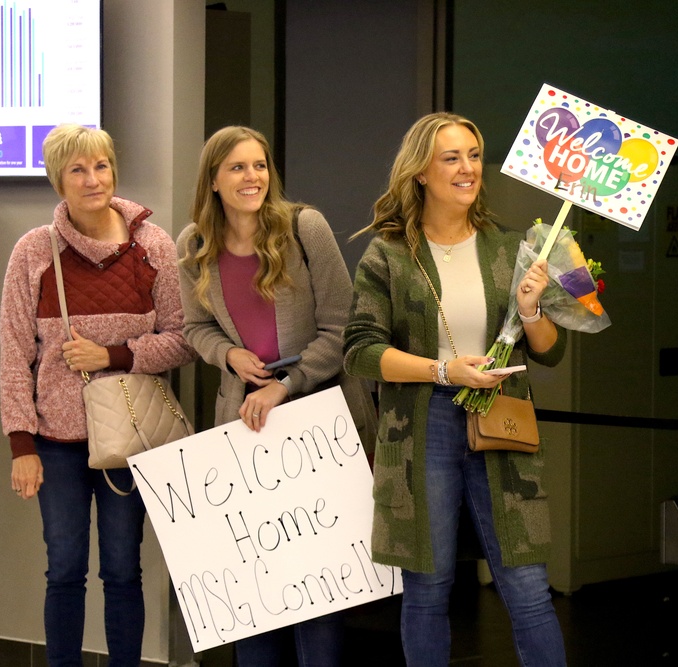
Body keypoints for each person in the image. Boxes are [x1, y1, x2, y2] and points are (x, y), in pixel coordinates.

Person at [343, 112, 569, 666]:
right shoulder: (390, 254)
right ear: (420, 171)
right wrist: (444, 372)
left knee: (527, 584)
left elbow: (551, 350)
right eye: (452, 158)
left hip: (501, 417)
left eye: (473, 155)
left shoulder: (509, 248)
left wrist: (532, 308)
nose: (468, 169)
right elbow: (360, 350)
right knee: (428, 585)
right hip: (421, 427)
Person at [176, 125, 375, 667]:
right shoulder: (193, 243)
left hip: (317, 422)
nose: (253, 177)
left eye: (260, 165)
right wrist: (229, 355)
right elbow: (194, 326)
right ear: (213, 179)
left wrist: (286, 385)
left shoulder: (303, 227)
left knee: (318, 588)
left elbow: (343, 328)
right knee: (255, 588)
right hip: (245, 426)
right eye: (238, 167)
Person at [0, 123, 195, 666]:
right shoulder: (34, 251)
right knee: (63, 570)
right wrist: (22, 445)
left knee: (122, 570)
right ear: (57, 181)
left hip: (129, 438)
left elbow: (182, 340)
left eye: (101, 166)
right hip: (56, 443)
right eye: (77, 170)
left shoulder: (151, 244)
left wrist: (110, 356)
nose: (93, 180)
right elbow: (14, 353)